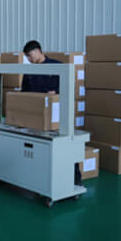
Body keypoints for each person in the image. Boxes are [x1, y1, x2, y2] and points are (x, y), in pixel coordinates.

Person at [21, 40, 82, 186]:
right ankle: (43, 182)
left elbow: (69, 87)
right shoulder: (29, 71)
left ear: (38, 51)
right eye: (27, 56)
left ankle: (75, 181)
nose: (29, 59)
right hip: (36, 119)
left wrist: (57, 92)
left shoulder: (57, 66)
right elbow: (24, 93)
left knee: (66, 149)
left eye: (30, 55)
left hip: (57, 118)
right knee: (40, 151)